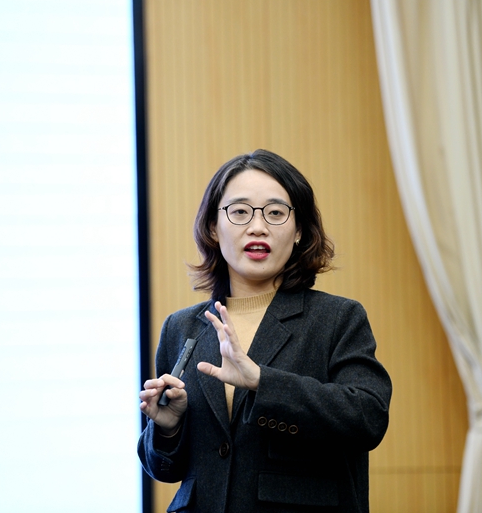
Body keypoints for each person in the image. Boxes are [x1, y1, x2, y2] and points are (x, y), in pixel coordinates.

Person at [138, 149, 392, 513]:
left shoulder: (338, 318)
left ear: (299, 230)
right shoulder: (182, 328)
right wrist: (168, 428)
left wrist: (262, 381)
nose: (257, 227)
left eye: (275, 213)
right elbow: (165, 469)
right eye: (240, 212)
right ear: (213, 227)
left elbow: (368, 418)